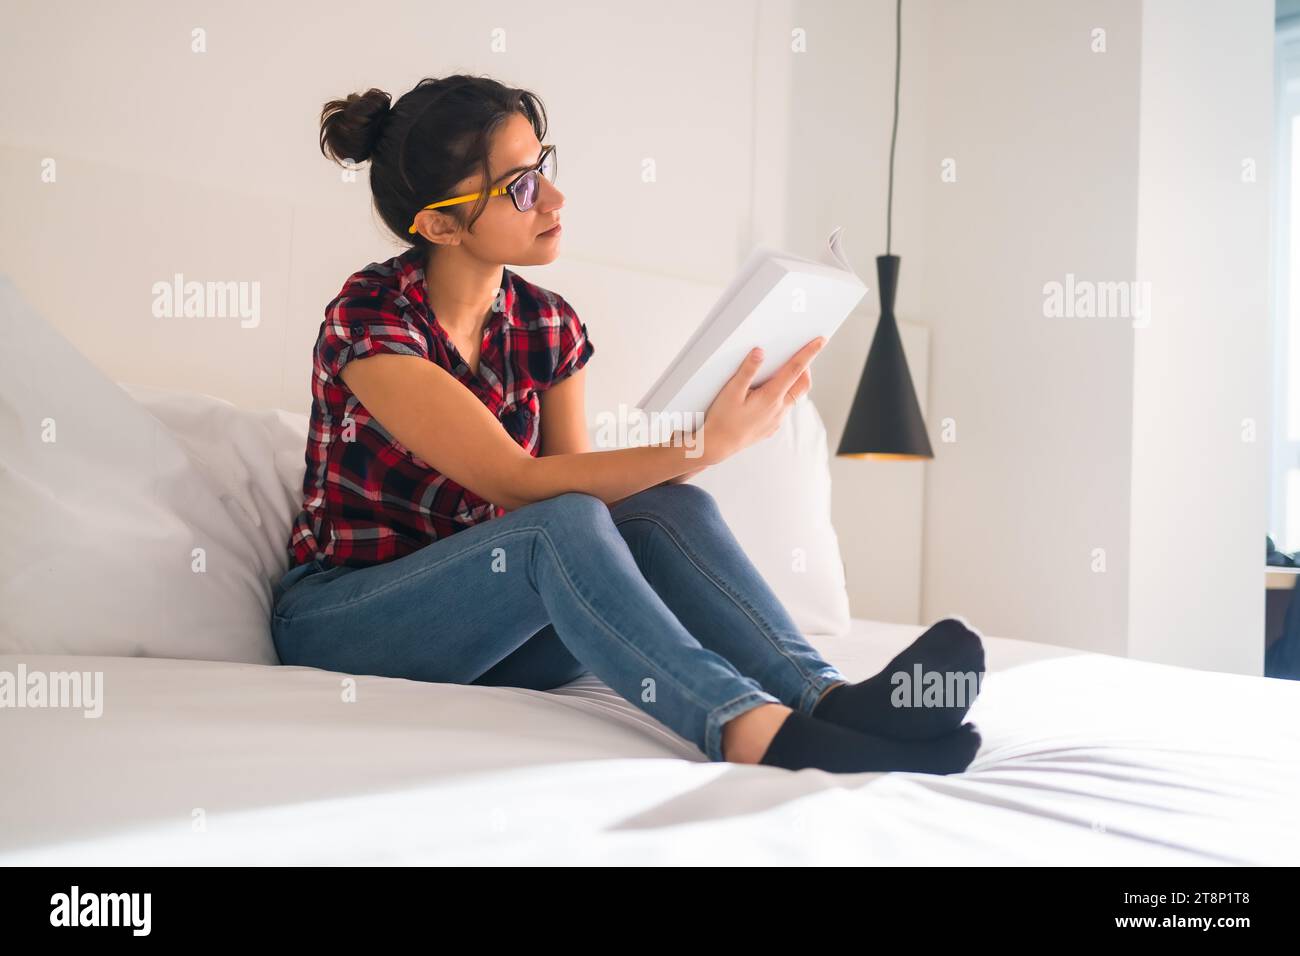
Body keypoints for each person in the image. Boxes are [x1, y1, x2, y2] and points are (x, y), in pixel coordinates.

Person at [272, 73, 985, 774]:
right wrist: (704, 444)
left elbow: (575, 496)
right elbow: (520, 485)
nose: (554, 197)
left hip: (495, 637)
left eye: (544, 166)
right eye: (520, 187)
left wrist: (693, 458)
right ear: (439, 224)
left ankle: (827, 702)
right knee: (560, 524)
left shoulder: (547, 323)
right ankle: (747, 728)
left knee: (663, 508)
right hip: (352, 623)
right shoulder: (370, 320)